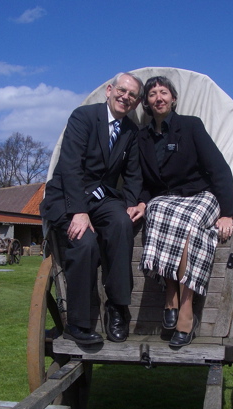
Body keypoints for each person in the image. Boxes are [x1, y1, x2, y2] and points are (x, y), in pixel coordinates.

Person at [40, 72, 145, 345]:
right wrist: (78, 211)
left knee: (122, 223)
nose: (125, 97)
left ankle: (117, 308)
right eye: (122, 91)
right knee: (84, 243)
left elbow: (133, 175)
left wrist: (132, 204)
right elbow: (70, 166)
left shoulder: (131, 132)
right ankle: (77, 323)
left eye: (132, 95)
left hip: (103, 198)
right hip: (67, 197)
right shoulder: (83, 117)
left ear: (135, 103)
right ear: (109, 90)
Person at [137, 76, 233, 347]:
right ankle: (169, 293)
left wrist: (227, 212)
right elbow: (146, 182)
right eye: (152, 94)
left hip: (201, 195)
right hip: (167, 198)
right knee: (155, 210)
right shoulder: (143, 137)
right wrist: (141, 202)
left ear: (173, 98)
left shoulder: (190, 126)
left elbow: (219, 169)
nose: (158, 97)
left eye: (164, 92)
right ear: (146, 102)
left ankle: (185, 309)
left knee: (190, 223)